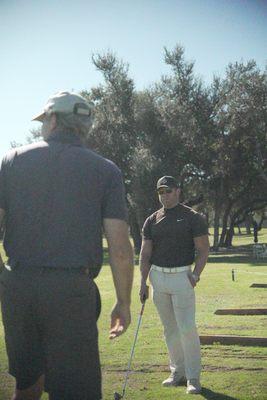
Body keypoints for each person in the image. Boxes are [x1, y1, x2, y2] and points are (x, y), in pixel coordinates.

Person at [0, 91, 134, 400]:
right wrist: (123, 302)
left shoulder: (12, 160)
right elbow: (120, 248)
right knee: (77, 391)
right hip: (71, 292)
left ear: (54, 119)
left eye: (44, 120)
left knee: (27, 384)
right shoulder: (105, 170)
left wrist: (5, 278)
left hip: (18, 286)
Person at [139, 176, 209, 395]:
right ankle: (177, 372)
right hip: (158, 278)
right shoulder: (152, 219)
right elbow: (145, 252)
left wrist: (195, 275)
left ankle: (193, 377)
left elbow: (204, 249)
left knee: (187, 327)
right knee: (170, 329)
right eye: (161, 192)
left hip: (182, 277)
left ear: (178, 191)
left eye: (168, 191)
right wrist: (142, 282)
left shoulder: (192, 217)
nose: (164, 195)